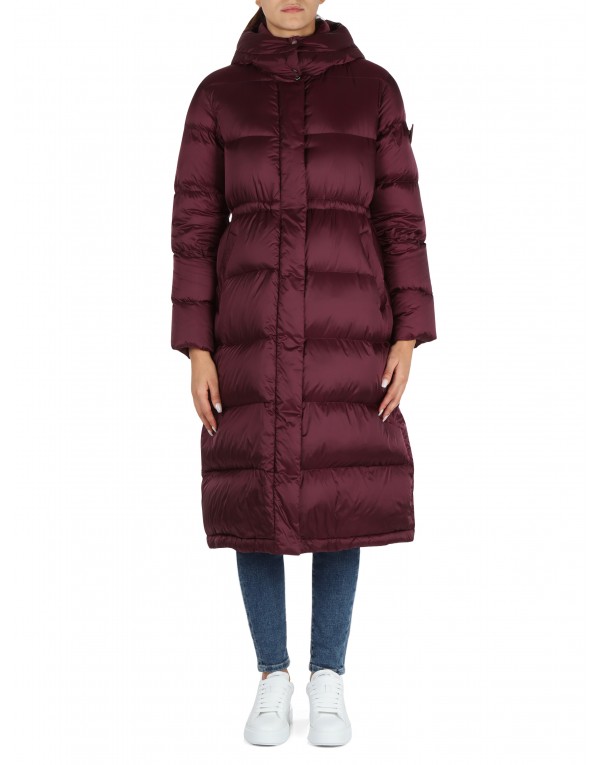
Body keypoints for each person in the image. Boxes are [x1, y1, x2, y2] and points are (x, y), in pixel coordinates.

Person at [170, 0, 436, 747]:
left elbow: (400, 220)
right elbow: (194, 228)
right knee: (253, 491)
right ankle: (271, 674)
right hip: (248, 331)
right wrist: (196, 346)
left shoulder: (374, 89)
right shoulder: (218, 95)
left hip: (347, 326)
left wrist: (409, 331)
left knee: (340, 489)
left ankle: (328, 676)